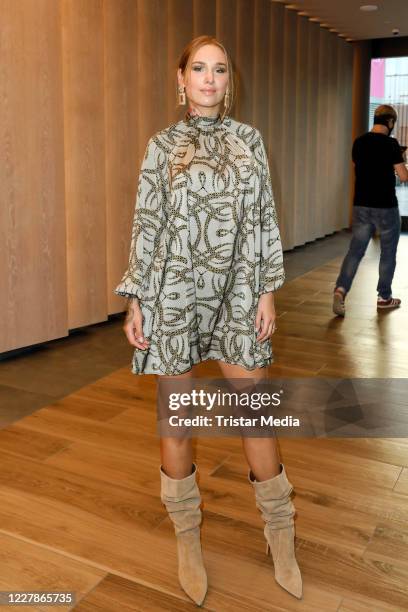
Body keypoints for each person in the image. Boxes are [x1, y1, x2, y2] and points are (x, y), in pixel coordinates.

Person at [114, 35, 302, 605]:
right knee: (177, 421)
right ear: (181, 79)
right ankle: (187, 538)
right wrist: (136, 297)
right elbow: (147, 222)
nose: (210, 78)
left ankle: (281, 532)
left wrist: (267, 291)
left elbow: (264, 217)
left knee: (257, 418)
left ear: (228, 80)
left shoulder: (250, 141)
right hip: (173, 293)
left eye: (219, 69)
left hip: (239, 289)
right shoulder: (160, 145)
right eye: (199, 68)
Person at [333, 104, 408, 317]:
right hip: (385, 207)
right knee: (388, 252)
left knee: (356, 251)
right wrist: (402, 161)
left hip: (361, 205)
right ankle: (384, 298)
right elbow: (403, 176)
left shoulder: (359, 142)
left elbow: (362, 168)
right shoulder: (391, 144)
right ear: (391, 122)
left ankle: (340, 289)